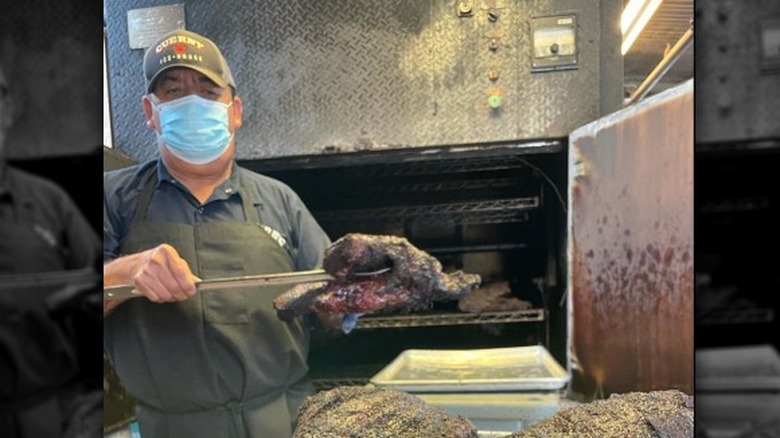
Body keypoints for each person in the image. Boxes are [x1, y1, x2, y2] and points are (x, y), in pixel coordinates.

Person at [103, 29, 332, 438]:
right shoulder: (113, 198)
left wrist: (360, 293)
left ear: (235, 110)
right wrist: (125, 272)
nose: (191, 103)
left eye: (208, 93)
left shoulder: (280, 200)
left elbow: (333, 301)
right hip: (164, 429)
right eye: (172, 92)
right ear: (150, 111)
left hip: (283, 421)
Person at [0, 61, 102, 437]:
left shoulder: (49, 202)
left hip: (44, 412)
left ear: (8, 109)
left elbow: (101, 291)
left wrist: (78, 297)